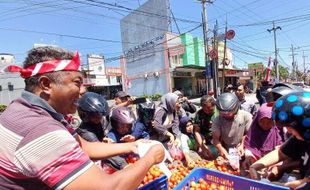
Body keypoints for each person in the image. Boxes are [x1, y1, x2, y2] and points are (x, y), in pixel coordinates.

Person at [0, 46, 164, 190]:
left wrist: (133, 146)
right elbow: (108, 187)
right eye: (77, 83)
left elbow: (83, 146)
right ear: (46, 84)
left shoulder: (23, 109)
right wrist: (149, 158)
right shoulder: (40, 129)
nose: (82, 92)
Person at [249, 91, 310, 190]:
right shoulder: (301, 138)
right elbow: (281, 153)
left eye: (290, 127)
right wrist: (255, 167)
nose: (289, 131)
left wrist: (274, 185)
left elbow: (305, 183)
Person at [76, 92, 128, 170]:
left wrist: (103, 139)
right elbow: (100, 150)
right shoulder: (86, 132)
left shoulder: (96, 123)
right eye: (94, 115)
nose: (98, 117)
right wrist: (125, 165)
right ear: (85, 115)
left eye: (99, 114)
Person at [211, 93, 253, 160]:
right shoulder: (217, 120)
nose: (224, 116)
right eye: (222, 113)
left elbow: (248, 134)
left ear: (235, 109)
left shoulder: (246, 116)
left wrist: (242, 145)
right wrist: (221, 149)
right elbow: (215, 139)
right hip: (226, 148)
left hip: (244, 147)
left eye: (228, 114)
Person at [242, 103, 283, 170]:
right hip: (256, 165)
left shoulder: (279, 132)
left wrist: (276, 165)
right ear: (257, 120)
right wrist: (249, 157)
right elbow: (249, 147)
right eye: (262, 122)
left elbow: (282, 152)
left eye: (269, 122)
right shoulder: (254, 131)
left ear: (274, 121)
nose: (265, 125)